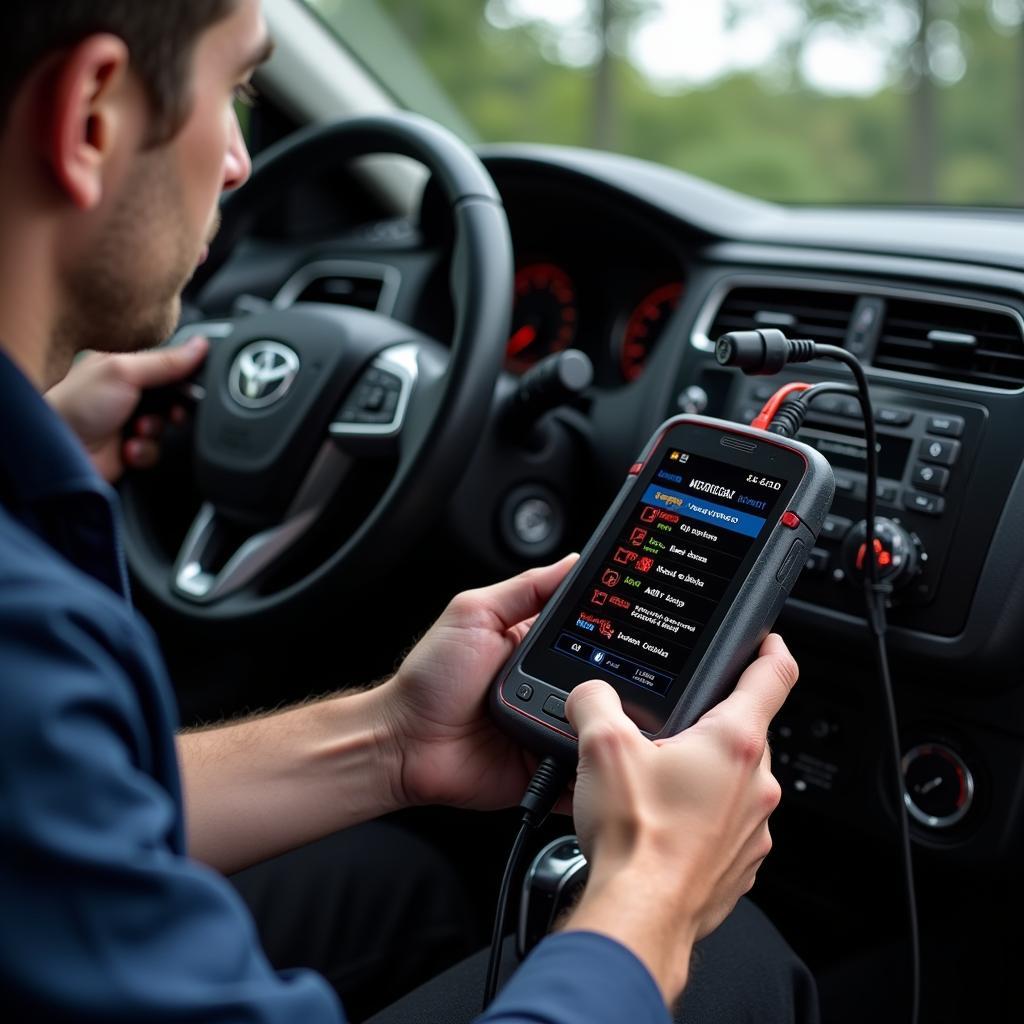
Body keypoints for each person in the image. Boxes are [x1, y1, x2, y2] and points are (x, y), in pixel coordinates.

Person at [0, 2, 818, 1022]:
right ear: (90, 117)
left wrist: (389, 741)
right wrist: (654, 893)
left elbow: (52, 806)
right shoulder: (24, 626)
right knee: (727, 953)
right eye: (237, 91)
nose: (241, 162)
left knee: (406, 882)